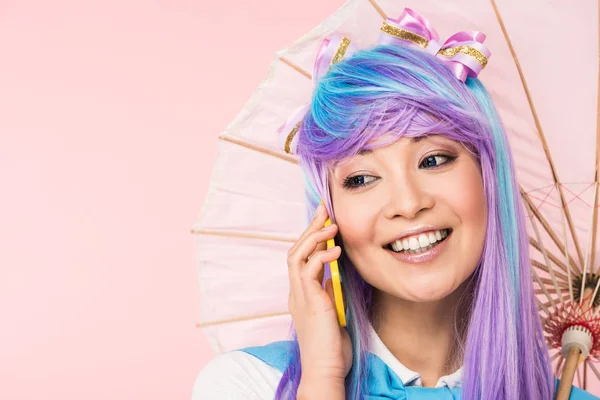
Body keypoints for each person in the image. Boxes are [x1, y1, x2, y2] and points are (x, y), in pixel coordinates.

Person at [192, 8, 600, 400]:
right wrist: (322, 381)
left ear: (488, 178)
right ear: (327, 215)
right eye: (362, 178)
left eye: (434, 159)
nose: (407, 203)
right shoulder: (250, 385)